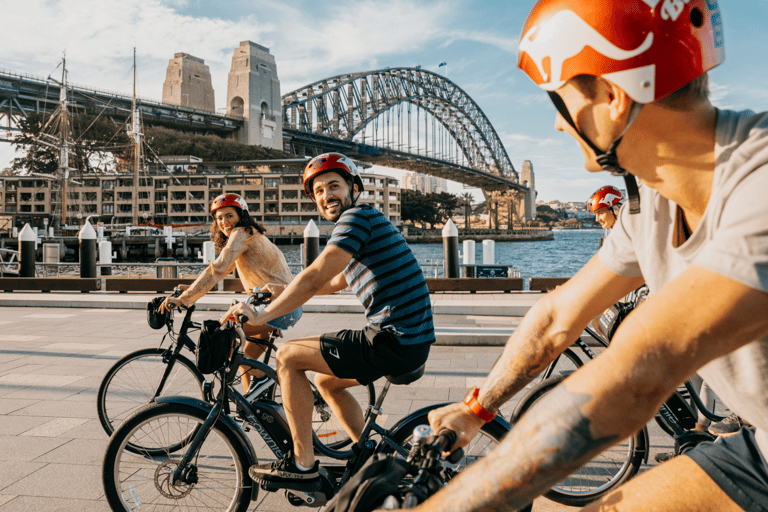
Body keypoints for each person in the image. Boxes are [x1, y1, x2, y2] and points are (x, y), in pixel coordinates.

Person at [422, 1, 768, 511]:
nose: (559, 126)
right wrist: (477, 408)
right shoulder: (649, 203)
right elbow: (555, 318)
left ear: (611, 97)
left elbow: (640, 370)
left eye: (557, 99)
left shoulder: (759, 181)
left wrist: (453, 504)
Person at [221, 152, 435, 491]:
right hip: (409, 339)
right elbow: (334, 282)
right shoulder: (365, 222)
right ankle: (368, 452)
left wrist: (262, 316)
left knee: (288, 356)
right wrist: (276, 291)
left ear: (353, 187)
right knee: (326, 382)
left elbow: (315, 275)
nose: (325, 195)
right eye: (318, 191)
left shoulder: (356, 219)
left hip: (393, 337)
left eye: (333, 186)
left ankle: (302, 465)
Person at [159, 193, 302, 393]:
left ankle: (273, 378)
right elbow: (220, 270)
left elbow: (216, 269)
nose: (224, 222)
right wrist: (191, 289)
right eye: (219, 218)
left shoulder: (242, 233)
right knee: (243, 361)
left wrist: (185, 299)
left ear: (241, 215)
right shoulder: (248, 234)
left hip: (277, 307)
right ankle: (251, 408)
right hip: (279, 305)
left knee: (224, 335)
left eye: (229, 216)